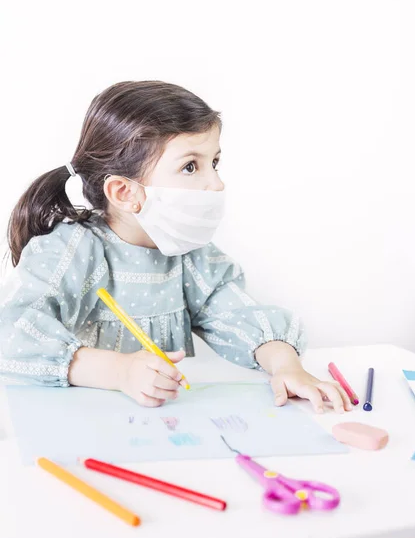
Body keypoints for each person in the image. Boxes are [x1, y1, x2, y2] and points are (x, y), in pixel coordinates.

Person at [0, 80, 351, 413]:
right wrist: (119, 372)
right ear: (125, 193)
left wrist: (286, 366)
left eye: (214, 162)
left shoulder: (189, 253)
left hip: (169, 421)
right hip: (87, 419)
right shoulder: (73, 251)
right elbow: (12, 332)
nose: (216, 183)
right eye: (190, 167)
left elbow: (235, 312)